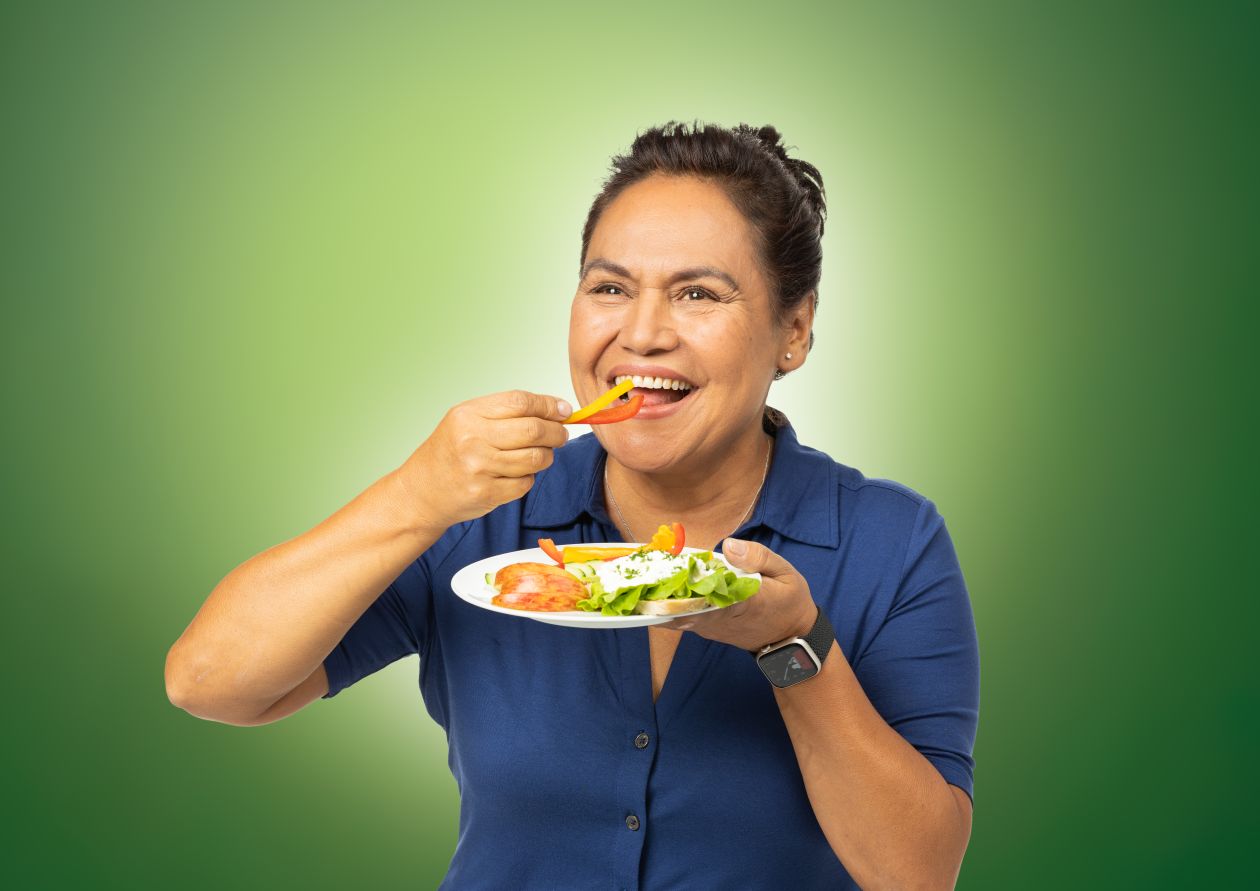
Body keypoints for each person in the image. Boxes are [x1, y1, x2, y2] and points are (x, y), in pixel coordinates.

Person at [166, 122, 980, 890]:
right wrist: (415, 494)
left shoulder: (890, 541)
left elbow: (917, 872)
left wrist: (790, 645)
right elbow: (210, 682)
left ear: (793, 330)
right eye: (610, 287)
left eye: (698, 294)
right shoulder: (478, 513)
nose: (643, 333)